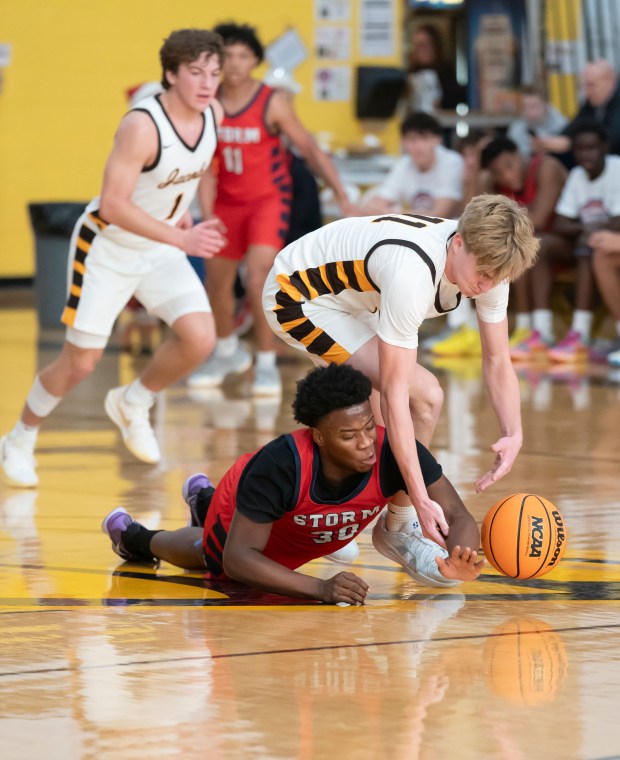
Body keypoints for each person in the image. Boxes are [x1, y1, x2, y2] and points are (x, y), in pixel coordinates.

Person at [0, 29, 226, 489]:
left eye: (214, 73)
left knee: (200, 338)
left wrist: (184, 216)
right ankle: (19, 438)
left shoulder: (214, 114)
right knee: (81, 362)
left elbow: (190, 172)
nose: (207, 83)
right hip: (108, 247)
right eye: (196, 72)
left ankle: (134, 400)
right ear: (170, 74)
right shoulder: (142, 125)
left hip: (160, 244)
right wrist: (179, 237)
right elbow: (113, 204)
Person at [262, 194, 539, 550]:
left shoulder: (492, 265)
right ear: (458, 243)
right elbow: (397, 394)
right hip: (299, 295)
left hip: (358, 297)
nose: (486, 285)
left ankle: (376, 521)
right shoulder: (412, 274)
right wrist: (422, 498)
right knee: (422, 399)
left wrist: (513, 432)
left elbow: (498, 359)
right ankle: (393, 523)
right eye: (483, 274)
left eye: (496, 277)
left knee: (391, 410)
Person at [102, 364, 485, 604]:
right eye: (349, 436)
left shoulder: (393, 451)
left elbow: (455, 512)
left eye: (369, 426)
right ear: (318, 436)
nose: (366, 441)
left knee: (230, 544)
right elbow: (240, 560)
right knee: (212, 554)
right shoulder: (281, 466)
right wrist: (320, 588)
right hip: (248, 508)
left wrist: (460, 556)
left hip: (296, 530)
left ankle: (203, 500)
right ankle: (136, 538)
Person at [188, 22, 357, 398]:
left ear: (255, 61)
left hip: (268, 201)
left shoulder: (271, 101)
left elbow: (310, 149)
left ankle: (265, 362)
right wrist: (207, 211)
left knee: (259, 277)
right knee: (216, 283)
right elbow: (203, 166)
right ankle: (228, 350)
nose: (234, 64)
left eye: (243, 56)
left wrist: (342, 194)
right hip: (225, 204)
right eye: (227, 55)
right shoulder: (207, 102)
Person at [509, 121, 620, 361]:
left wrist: (587, 231)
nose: (585, 155)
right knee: (539, 244)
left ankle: (580, 333)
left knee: (588, 246)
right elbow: (561, 222)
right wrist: (586, 228)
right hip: (587, 241)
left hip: (604, 245)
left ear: (604, 147)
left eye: (591, 148)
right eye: (580, 149)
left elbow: (617, 221)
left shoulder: (616, 169)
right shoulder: (578, 175)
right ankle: (542, 330)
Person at [478, 137, 568, 350]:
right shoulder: (494, 182)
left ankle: (542, 331)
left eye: (510, 166)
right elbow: (475, 217)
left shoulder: (547, 167)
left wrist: (499, 216)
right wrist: (478, 174)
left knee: (528, 245)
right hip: (538, 245)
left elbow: (539, 218)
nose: (507, 176)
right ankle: (523, 329)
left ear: (520, 154)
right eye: (498, 173)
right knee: (494, 248)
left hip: (569, 240)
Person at [360, 112, 464, 220]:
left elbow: (440, 215)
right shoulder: (403, 164)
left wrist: (390, 213)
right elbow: (374, 204)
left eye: (424, 139)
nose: (418, 147)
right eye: (412, 140)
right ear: (403, 142)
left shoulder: (451, 162)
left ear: (437, 140)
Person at [536, 60, 620, 159]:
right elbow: (576, 125)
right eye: (584, 86)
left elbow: (612, 140)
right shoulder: (591, 104)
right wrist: (550, 142)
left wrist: (571, 144)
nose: (586, 92)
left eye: (591, 85)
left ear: (611, 82)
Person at [405, 23, 466, 113]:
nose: (420, 50)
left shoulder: (446, 72)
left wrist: (442, 102)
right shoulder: (408, 74)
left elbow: (459, 97)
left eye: (424, 45)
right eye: (416, 45)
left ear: (435, 46)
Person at [506, 85, 568, 160]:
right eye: (525, 107)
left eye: (534, 106)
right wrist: (531, 152)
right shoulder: (516, 131)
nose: (530, 112)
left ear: (546, 105)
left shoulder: (563, 125)